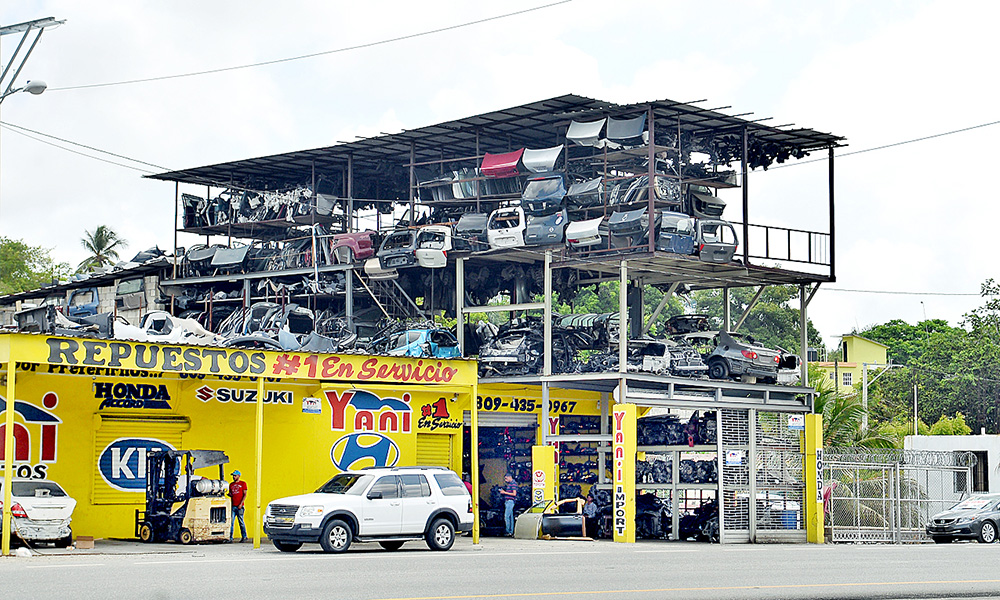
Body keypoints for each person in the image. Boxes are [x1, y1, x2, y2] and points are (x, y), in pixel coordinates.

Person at [228, 470, 249, 542]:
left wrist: (241, 504)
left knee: (241, 522)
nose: (234, 477)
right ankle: (230, 537)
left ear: (239, 476)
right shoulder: (231, 485)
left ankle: (244, 536)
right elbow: (231, 493)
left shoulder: (243, 483)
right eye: (233, 475)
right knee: (231, 522)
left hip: (239, 506)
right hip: (233, 505)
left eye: (235, 475)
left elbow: (245, 494)